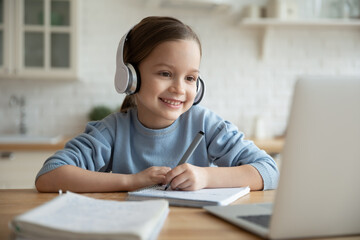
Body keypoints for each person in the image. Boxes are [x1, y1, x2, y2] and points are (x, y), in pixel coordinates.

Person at [35, 16, 279, 193]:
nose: (179, 88)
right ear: (130, 77)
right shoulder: (111, 131)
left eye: (190, 78)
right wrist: (132, 181)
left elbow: (269, 170)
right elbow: (49, 175)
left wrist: (205, 176)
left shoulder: (207, 125)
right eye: (165, 73)